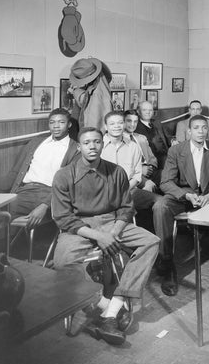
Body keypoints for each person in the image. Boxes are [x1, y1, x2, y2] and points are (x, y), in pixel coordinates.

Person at [51, 127, 160, 346]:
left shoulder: (117, 172)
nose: (92, 146)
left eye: (97, 142)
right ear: (79, 146)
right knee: (62, 262)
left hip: (112, 223)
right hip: (79, 227)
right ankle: (106, 308)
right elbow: (63, 218)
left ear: (103, 144)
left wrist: (113, 233)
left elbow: (126, 208)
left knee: (151, 241)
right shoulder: (64, 175)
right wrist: (97, 237)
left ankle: (114, 306)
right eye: (87, 142)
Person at [152, 115, 209, 295]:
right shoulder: (176, 151)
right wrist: (186, 195)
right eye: (196, 128)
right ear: (189, 131)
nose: (201, 131)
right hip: (184, 196)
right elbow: (166, 182)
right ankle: (167, 261)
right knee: (160, 206)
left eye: (204, 128)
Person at [0, 109, 79, 229]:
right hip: (24, 191)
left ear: (69, 125)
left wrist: (45, 205)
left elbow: (69, 184)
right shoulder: (37, 141)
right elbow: (15, 173)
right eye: (52, 122)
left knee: (3, 219)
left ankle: (6, 241)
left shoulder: (75, 149)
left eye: (61, 122)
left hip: (52, 194)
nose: (56, 126)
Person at [101, 111, 142, 191]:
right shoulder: (98, 146)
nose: (117, 126)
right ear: (106, 127)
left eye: (120, 123)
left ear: (124, 125)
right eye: (112, 124)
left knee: (160, 201)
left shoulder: (133, 147)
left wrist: (124, 190)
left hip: (129, 190)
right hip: (104, 192)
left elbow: (137, 175)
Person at [124, 109, 158, 191]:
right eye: (129, 121)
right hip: (134, 174)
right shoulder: (120, 140)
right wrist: (141, 170)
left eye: (135, 121)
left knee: (169, 177)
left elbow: (153, 158)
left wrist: (150, 167)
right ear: (123, 122)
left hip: (150, 171)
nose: (132, 124)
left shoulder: (141, 138)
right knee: (150, 186)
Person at [134, 101, 170, 169]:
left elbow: (168, 137)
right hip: (151, 161)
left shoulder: (157, 123)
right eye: (144, 110)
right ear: (138, 111)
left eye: (150, 110)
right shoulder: (135, 127)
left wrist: (173, 140)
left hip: (166, 156)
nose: (148, 112)